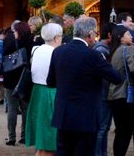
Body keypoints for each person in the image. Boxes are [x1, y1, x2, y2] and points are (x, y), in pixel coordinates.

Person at [47, 16, 122, 156]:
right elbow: (116, 78)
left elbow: (50, 82)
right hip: (86, 117)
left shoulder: (58, 52)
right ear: (90, 34)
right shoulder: (94, 55)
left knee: (63, 151)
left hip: (63, 114)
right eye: (95, 34)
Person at [25, 22, 63, 156]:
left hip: (37, 92)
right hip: (50, 92)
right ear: (57, 37)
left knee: (42, 130)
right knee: (49, 133)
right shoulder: (57, 52)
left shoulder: (35, 49)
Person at [108, 25, 134, 156]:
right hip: (126, 95)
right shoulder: (128, 50)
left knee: (120, 131)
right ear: (120, 38)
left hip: (114, 95)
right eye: (128, 34)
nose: (131, 36)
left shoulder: (114, 51)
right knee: (126, 132)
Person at [3, 20, 33, 145]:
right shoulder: (31, 42)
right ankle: (24, 136)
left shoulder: (9, 41)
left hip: (10, 78)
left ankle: (11, 137)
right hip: (25, 78)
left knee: (12, 108)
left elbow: (3, 58)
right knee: (25, 109)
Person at [94, 22, 114, 156]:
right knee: (101, 128)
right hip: (102, 92)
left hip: (103, 92)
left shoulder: (102, 49)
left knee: (104, 128)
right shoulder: (101, 50)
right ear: (109, 35)